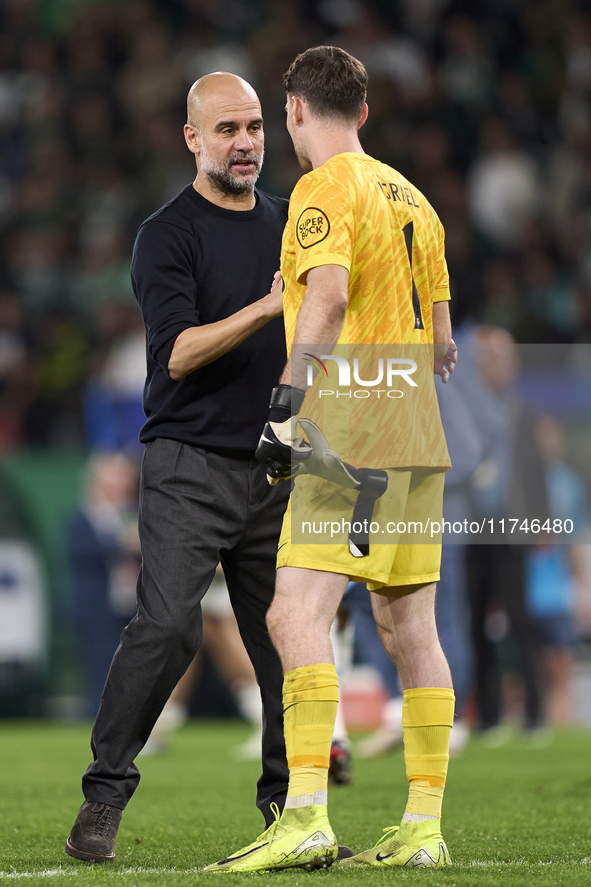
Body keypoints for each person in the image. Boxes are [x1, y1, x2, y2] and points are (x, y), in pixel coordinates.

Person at [206, 46, 457, 873]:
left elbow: (328, 295)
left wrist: (286, 407)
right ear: (364, 110)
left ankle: (305, 811)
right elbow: (445, 339)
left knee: (292, 617)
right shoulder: (410, 194)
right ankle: (423, 826)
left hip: (350, 431)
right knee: (407, 627)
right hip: (417, 431)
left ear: (293, 112)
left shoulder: (321, 189)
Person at [65, 72, 292, 863]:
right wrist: (267, 307)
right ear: (192, 138)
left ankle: (287, 810)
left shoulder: (294, 222)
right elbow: (180, 351)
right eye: (227, 128)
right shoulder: (167, 233)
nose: (245, 143)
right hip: (188, 462)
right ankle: (103, 796)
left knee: (286, 644)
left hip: (276, 464)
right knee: (167, 625)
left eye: (256, 126)